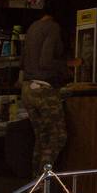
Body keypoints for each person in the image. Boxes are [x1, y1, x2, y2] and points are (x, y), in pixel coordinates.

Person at [19, 10, 69, 177]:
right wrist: (67, 65)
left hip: (27, 88)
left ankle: (33, 187)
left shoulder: (32, 28)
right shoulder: (52, 28)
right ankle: (42, 183)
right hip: (43, 88)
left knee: (41, 138)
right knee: (57, 137)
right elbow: (46, 61)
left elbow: (22, 62)